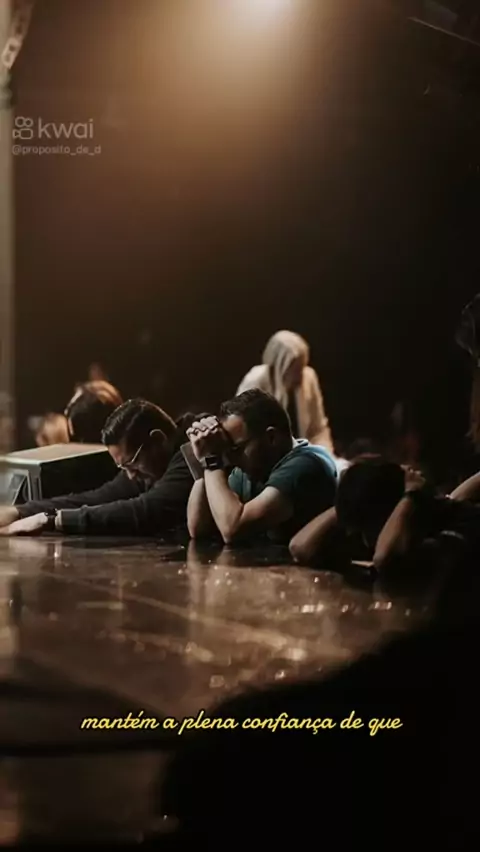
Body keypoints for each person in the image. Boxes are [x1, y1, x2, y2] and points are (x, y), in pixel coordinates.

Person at [0, 399, 195, 537]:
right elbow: (100, 497)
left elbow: (147, 511)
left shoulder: (191, 452)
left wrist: (51, 520)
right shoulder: (149, 467)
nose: (130, 475)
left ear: (158, 440)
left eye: (131, 464)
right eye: (123, 467)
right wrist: (19, 512)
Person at [186, 389, 337, 545]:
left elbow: (233, 528)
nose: (231, 459)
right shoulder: (252, 469)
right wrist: (204, 458)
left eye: (236, 449)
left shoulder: (307, 463)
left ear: (271, 437)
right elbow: (198, 529)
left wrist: (211, 459)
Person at [290, 456, 480, 572]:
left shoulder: (451, 529)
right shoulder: (374, 526)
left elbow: (384, 559)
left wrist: (411, 494)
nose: (365, 541)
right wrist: (347, 501)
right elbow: (300, 547)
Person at [236, 330, 333, 451]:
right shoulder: (255, 381)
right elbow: (240, 429)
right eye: (295, 369)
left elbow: (318, 430)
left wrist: (325, 455)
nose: (300, 376)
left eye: (302, 367)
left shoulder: (309, 377)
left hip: (305, 453)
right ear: (280, 365)